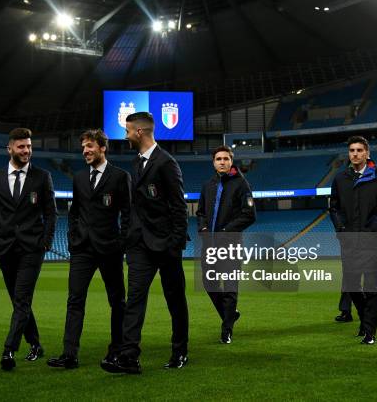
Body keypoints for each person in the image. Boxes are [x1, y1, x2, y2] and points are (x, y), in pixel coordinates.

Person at [102, 111, 189, 374]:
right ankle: (129, 356)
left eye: (128, 131)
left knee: (175, 299)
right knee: (135, 298)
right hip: (140, 245)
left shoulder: (166, 163)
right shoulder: (137, 162)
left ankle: (180, 351)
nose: (126, 135)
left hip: (166, 245)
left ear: (139, 132)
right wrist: (130, 237)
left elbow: (179, 206)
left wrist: (174, 244)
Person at [47, 129, 130, 369]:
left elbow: (128, 214)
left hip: (109, 248)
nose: (85, 151)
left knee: (117, 302)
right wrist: (73, 239)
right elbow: (75, 213)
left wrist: (121, 243)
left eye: (90, 146)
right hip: (82, 248)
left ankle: (117, 350)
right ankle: (69, 354)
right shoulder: (80, 178)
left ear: (103, 148)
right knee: (74, 300)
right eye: (83, 147)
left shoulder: (120, 176)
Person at [0, 128, 57, 370]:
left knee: (22, 298)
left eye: (29, 146)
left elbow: (50, 212)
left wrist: (45, 242)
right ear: (10, 149)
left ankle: (9, 350)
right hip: (4, 247)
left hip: (31, 248)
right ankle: (35, 344)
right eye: (21, 147)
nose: (26, 151)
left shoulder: (42, 176)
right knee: (18, 301)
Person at [329, 135, 377, 345]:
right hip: (349, 242)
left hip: (372, 242)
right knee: (351, 286)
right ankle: (364, 322)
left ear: (367, 153)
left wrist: (373, 228)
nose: (355, 154)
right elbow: (334, 208)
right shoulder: (340, 179)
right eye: (352, 151)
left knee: (371, 287)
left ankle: (369, 332)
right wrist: (341, 228)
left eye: (359, 150)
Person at [196, 145, 256, 344]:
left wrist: (225, 231)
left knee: (230, 288)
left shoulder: (241, 184)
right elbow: (201, 212)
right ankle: (229, 314)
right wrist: (203, 229)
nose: (222, 162)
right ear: (213, 163)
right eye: (218, 159)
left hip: (230, 244)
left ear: (231, 161)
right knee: (209, 283)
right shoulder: (207, 185)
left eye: (226, 159)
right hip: (209, 246)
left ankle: (226, 329)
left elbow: (249, 215)